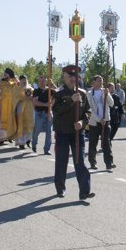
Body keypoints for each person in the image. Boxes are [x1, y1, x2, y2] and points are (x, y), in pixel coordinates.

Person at [52, 65, 94, 201]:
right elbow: (56, 111)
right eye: (70, 76)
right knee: (61, 162)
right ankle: (60, 188)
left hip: (77, 133)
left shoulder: (82, 93)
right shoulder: (58, 93)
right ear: (64, 77)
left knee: (80, 162)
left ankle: (84, 191)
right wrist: (71, 100)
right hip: (63, 133)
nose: (72, 79)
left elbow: (88, 111)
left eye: (74, 77)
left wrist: (83, 122)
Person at [86, 75, 115, 170]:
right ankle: (92, 162)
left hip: (106, 120)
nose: (101, 82)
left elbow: (111, 104)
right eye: (99, 80)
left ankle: (109, 163)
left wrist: (108, 95)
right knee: (93, 143)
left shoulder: (105, 91)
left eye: (102, 80)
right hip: (94, 122)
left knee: (106, 142)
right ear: (93, 82)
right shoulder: (89, 94)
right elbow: (89, 109)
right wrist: (99, 119)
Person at [0, 68, 22, 145]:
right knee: (2, 121)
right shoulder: (0, 83)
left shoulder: (14, 82)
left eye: (6, 74)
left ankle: (10, 136)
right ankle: (1, 138)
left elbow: (19, 89)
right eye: (4, 74)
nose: (4, 75)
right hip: (3, 104)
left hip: (11, 104)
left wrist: (17, 80)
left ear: (9, 75)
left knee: (11, 120)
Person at [32, 76, 54, 154]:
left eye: (43, 81)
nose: (42, 82)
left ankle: (46, 149)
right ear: (38, 82)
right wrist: (45, 104)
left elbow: (58, 92)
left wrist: (52, 83)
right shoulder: (36, 91)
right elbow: (35, 102)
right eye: (40, 81)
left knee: (49, 132)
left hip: (48, 113)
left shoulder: (50, 90)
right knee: (37, 131)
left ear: (46, 81)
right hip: (39, 114)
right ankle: (34, 143)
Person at [15, 75, 35, 149]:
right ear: (20, 81)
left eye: (25, 79)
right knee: (21, 125)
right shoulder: (17, 89)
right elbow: (16, 98)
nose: (24, 81)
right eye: (22, 79)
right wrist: (23, 97)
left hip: (29, 108)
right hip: (21, 109)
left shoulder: (30, 88)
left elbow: (34, 96)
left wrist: (31, 97)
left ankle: (28, 140)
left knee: (30, 124)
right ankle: (21, 142)